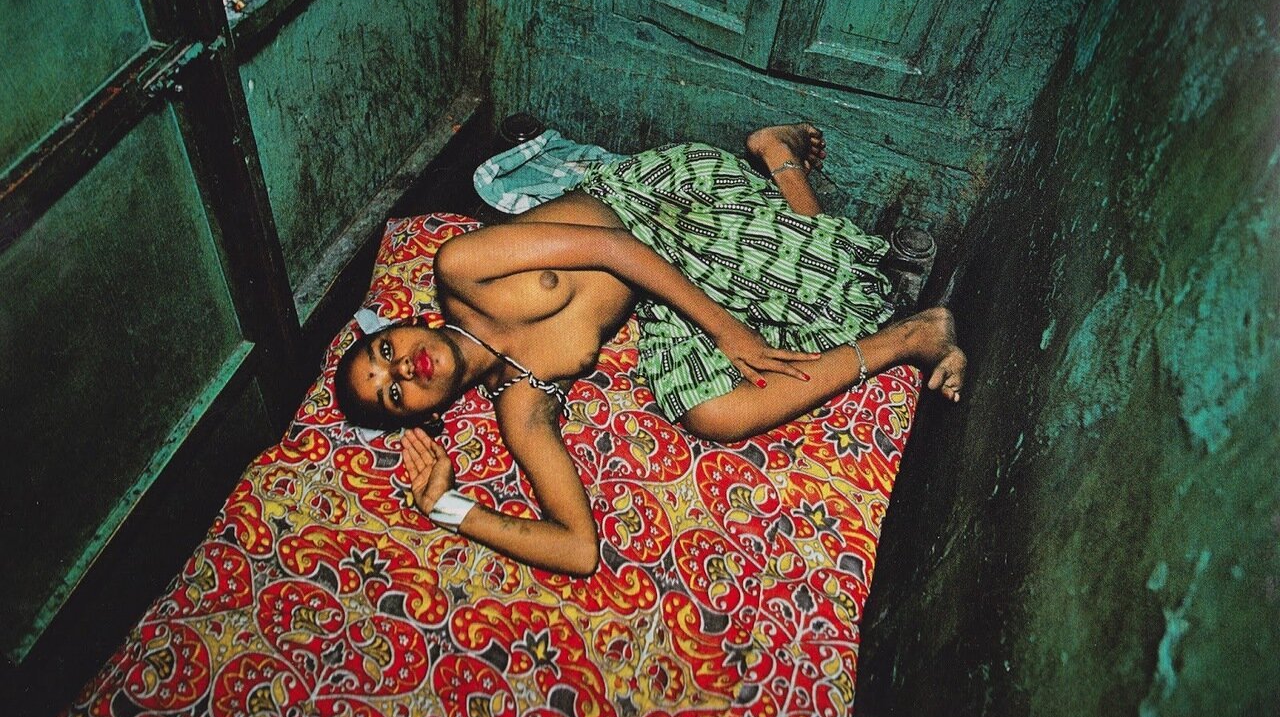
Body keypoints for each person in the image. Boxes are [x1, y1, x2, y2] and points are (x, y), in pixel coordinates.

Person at [336, 125, 965, 575]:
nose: (403, 368)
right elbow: (578, 548)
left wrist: (727, 330)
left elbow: (612, 249)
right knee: (714, 411)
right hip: (656, 297)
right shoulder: (520, 406)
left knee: (835, 288)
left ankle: (776, 153)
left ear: (404, 325)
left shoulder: (461, 268)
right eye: (393, 393)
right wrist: (448, 507)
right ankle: (911, 337)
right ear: (423, 416)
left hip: (650, 208)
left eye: (385, 351)